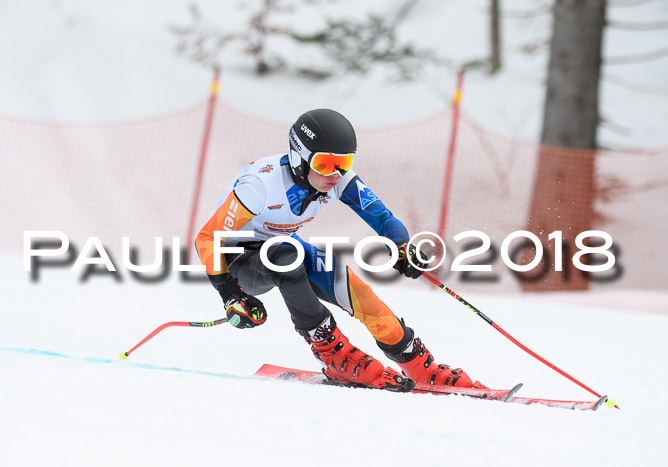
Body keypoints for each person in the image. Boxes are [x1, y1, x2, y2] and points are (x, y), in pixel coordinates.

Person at [195, 109, 486, 391]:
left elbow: (381, 217)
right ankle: (332, 352)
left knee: (355, 290)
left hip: (283, 247)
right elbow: (207, 238)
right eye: (324, 164)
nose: (335, 174)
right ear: (299, 159)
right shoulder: (259, 186)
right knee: (286, 255)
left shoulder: (338, 179)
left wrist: (401, 246)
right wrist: (230, 294)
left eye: (343, 163)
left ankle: (420, 367)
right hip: (237, 261)